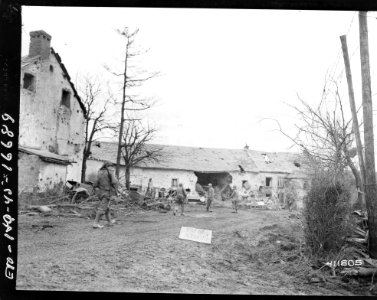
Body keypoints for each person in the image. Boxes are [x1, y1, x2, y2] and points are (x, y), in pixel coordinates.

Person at [92, 162, 118, 228]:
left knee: (106, 208)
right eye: (111, 166)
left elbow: (95, 184)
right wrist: (113, 174)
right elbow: (114, 182)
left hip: (100, 192)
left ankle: (109, 222)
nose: (112, 168)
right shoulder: (110, 172)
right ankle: (95, 223)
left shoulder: (99, 172)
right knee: (102, 208)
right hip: (107, 192)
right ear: (108, 166)